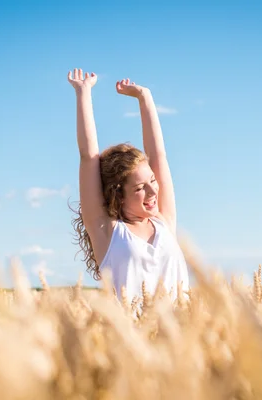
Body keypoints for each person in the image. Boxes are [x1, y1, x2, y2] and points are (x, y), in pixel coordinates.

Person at [66, 68, 190, 303]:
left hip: (182, 336)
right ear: (118, 195)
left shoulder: (163, 222)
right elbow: (88, 157)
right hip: (131, 337)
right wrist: (83, 92)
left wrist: (145, 97)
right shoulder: (107, 231)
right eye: (140, 188)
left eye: (153, 180)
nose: (153, 191)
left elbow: (158, 155)